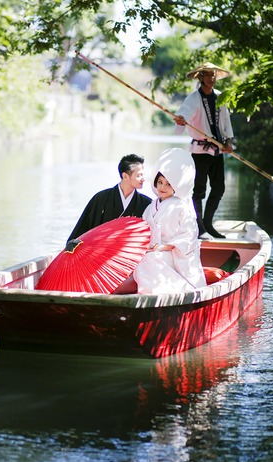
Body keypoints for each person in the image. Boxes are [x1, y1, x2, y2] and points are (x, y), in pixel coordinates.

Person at [173, 62, 236, 239]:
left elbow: (226, 122)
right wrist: (181, 120)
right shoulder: (193, 99)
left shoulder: (220, 97)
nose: (211, 78)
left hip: (217, 149)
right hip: (200, 150)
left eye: (213, 75)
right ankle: (199, 226)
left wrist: (228, 141)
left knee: (219, 188)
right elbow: (185, 113)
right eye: (208, 75)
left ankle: (208, 223)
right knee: (199, 190)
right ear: (201, 78)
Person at [132, 147, 207, 294]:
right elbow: (144, 233)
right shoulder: (151, 207)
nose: (162, 187)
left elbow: (189, 236)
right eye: (160, 182)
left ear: (177, 186)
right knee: (140, 260)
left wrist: (164, 247)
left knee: (150, 260)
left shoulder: (183, 206)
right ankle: (148, 293)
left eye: (168, 184)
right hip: (153, 251)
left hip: (175, 255)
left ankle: (165, 292)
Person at [67, 153, 152, 243]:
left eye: (143, 175)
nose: (143, 179)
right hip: (100, 249)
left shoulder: (146, 203)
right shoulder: (101, 199)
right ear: (125, 176)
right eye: (139, 175)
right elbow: (83, 227)